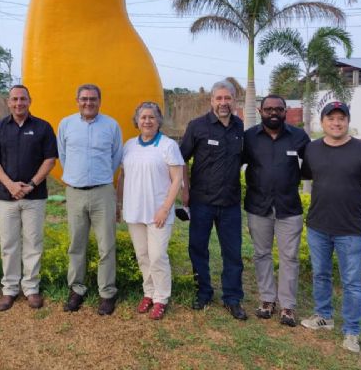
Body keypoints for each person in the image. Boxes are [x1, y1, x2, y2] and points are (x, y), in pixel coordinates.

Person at [300, 102, 361, 354]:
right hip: (317, 226)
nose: (336, 123)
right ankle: (324, 316)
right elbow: (307, 179)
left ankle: (352, 331)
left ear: (347, 121)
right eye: (331, 118)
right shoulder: (312, 149)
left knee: (352, 282)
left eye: (341, 118)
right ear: (322, 121)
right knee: (321, 274)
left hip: (350, 230)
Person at [0, 85, 57, 311]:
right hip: (7, 197)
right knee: (9, 244)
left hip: (35, 197)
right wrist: (10, 185)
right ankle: (10, 289)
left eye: (22, 99)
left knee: (33, 243)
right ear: (8, 102)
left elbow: (50, 159)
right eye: (14, 99)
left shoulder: (43, 127)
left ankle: (31, 288)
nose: (18, 103)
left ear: (29, 101)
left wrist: (32, 184)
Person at [180, 80, 247, 320]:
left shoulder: (240, 128)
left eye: (227, 98)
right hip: (201, 202)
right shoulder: (197, 127)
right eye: (218, 98)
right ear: (211, 101)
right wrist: (185, 190)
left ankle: (232, 298)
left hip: (230, 203)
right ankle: (204, 292)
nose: (223, 103)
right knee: (198, 248)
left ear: (234, 100)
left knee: (233, 253)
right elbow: (180, 161)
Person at [243, 95, 310, 327]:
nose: (273, 113)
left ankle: (288, 306)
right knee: (261, 254)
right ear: (260, 110)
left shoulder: (299, 137)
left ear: (285, 111)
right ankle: (267, 299)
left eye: (278, 109)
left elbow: (311, 168)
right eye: (269, 109)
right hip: (257, 205)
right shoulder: (249, 137)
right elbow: (234, 163)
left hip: (289, 207)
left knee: (289, 256)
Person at [57, 84, 123, 315]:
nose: (88, 103)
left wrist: (101, 177)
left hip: (102, 191)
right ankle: (77, 289)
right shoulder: (66, 124)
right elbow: (63, 155)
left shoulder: (111, 126)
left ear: (99, 100)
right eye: (83, 99)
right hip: (75, 192)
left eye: (92, 99)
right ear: (77, 100)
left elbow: (116, 157)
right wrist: (76, 177)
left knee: (107, 245)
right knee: (76, 244)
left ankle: (107, 292)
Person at [117, 102, 184, 320]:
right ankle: (149, 293)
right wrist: (119, 205)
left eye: (152, 117)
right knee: (143, 256)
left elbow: (177, 179)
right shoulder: (128, 146)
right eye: (143, 117)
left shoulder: (168, 145)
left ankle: (161, 298)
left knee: (157, 256)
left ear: (159, 121)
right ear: (137, 121)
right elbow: (123, 177)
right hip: (134, 211)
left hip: (158, 213)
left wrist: (165, 208)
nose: (147, 121)